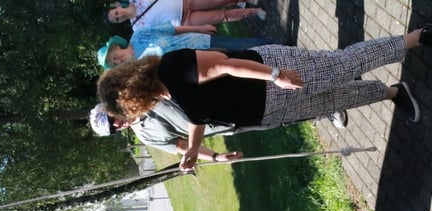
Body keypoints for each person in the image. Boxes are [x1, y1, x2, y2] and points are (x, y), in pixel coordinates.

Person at [98, 27, 427, 170]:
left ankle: (416, 38)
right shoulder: (164, 94)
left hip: (267, 77)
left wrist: (275, 74)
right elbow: (196, 118)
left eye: (125, 110)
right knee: (331, 101)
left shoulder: (171, 69)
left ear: (132, 94)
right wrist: (196, 150)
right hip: (266, 110)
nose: (130, 116)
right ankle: (391, 92)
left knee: (341, 66)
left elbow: (225, 64)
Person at [89, 100, 347, 159]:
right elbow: (183, 147)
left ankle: (338, 81)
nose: (117, 125)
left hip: (225, 97)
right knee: (280, 118)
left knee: (282, 93)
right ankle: (327, 109)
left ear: (109, 107)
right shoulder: (146, 136)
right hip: (227, 125)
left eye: (111, 120)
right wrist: (214, 157)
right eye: (113, 129)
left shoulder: (140, 95)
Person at [96, 22, 270, 69]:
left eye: (114, 57)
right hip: (197, 64)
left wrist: (200, 28)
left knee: (241, 45)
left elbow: (172, 29)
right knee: (240, 62)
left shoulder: (139, 35)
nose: (118, 60)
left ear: (116, 47)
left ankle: (278, 46)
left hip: (198, 42)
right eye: (114, 63)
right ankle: (274, 62)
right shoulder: (139, 68)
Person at [106, 0, 265, 31]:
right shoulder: (137, 28)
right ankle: (254, 12)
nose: (120, 16)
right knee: (221, 16)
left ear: (117, 7)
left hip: (185, 2)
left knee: (220, 0)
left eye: (116, 13)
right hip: (184, 20)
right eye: (117, 19)